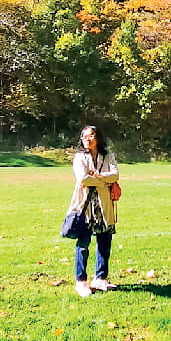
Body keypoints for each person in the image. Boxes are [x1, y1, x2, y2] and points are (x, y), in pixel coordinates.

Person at [68, 125, 120, 297]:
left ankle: (101, 278)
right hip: (85, 206)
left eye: (90, 136)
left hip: (104, 205)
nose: (87, 139)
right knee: (83, 243)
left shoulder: (108, 155)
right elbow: (82, 178)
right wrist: (104, 181)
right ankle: (81, 282)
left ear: (98, 137)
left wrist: (97, 177)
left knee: (104, 242)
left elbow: (115, 175)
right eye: (84, 136)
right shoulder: (79, 157)